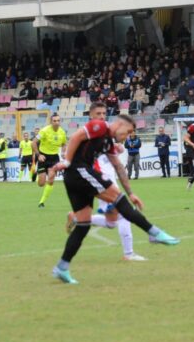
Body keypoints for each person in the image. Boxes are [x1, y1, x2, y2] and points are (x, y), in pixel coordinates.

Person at [50, 105, 180, 284]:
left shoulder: (109, 142)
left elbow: (118, 166)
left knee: (83, 224)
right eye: (127, 132)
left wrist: (131, 192)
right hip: (79, 171)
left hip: (75, 179)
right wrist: (67, 161)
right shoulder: (100, 126)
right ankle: (153, 232)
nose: (127, 137)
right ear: (119, 125)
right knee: (119, 201)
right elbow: (76, 136)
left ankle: (61, 268)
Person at [67, 103, 147, 262]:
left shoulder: (104, 134)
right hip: (102, 181)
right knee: (125, 214)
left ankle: (76, 218)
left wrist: (116, 146)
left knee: (111, 223)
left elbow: (115, 152)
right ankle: (129, 254)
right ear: (91, 116)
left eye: (104, 114)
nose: (102, 117)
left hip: (106, 180)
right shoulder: (89, 134)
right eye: (98, 114)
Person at [33, 113, 67, 208]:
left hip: (54, 158)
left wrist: (63, 152)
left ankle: (41, 202)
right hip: (43, 157)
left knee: (51, 180)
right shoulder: (44, 131)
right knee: (41, 183)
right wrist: (38, 155)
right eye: (54, 121)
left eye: (58, 120)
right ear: (51, 122)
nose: (56, 122)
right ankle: (37, 174)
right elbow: (34, 143)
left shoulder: (62, 132)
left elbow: (64, 143)